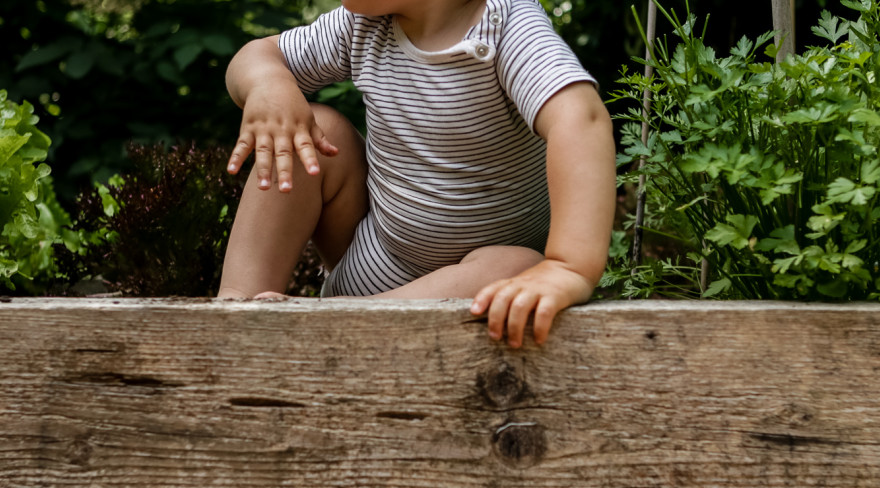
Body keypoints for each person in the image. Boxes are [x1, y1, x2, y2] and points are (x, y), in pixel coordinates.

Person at [218, 0, 615, 348]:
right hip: (370, 255)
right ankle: (233, 306)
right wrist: (268, 82)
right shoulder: (362, 24)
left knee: (519, 266)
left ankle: (330, 318)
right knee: (315, 129)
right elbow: (257, 54)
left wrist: (567, 267)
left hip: (469, 283)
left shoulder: (506, 28)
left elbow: (580, 119)